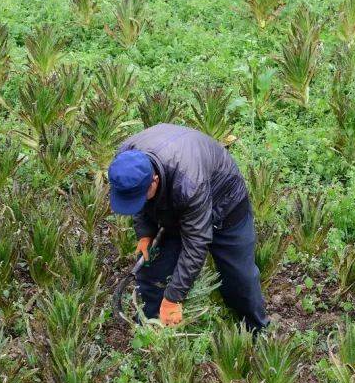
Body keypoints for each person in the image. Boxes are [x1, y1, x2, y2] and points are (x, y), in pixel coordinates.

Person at [107, 123, 270, 331]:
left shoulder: (189, 184)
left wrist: (174, 297)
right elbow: (139, 200)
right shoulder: (125, 160)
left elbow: (196, 242)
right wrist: (145, 233)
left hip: (224, 204)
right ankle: (152, 331)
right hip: (173, 201)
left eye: (139, 197)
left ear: (154, 180)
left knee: (240, 278)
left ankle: (257, 330)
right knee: (152, 268)